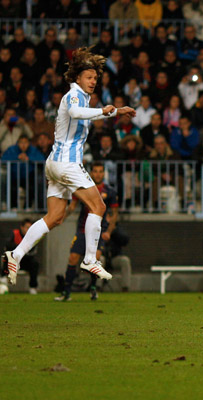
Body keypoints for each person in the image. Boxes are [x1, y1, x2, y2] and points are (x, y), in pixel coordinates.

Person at [2, 47, 135, 286]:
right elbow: (76, 112)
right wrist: (105, 111)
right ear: (77, 78)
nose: (93, 81)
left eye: (95, 78)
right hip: (67, 163)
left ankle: (16, 254)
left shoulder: (83, 98)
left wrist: (116, 111)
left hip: (54, 163)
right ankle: (89, 259)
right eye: (89, 77)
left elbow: (89, 114)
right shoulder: (74, 95)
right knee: (99, 206)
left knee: (54, 217)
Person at [54, 162, 119, 302]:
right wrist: (61, 217)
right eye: (95, 171)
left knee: (94, 259)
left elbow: (114, 214)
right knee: (72, 258)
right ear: (91, 173)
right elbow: (72, 207)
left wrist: (109, 231)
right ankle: (66, 292)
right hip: (82, 230)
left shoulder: (110, 191)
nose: (98, 174)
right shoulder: (83, 188)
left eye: (100, 171)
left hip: (98, 232)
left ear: (104, 173)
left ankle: (93, 289)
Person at [4, 219, 40, 294]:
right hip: (15, 260)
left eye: (30, 228)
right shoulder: (14, 234)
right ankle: (3, 278)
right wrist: (19, 248)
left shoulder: (32, 237)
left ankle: (32, 287)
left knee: (35, 263)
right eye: (26, 227)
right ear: (21, 227)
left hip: (26, 260)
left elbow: (32, 251)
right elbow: (8, 246)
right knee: (7, 257)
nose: (28, 230)